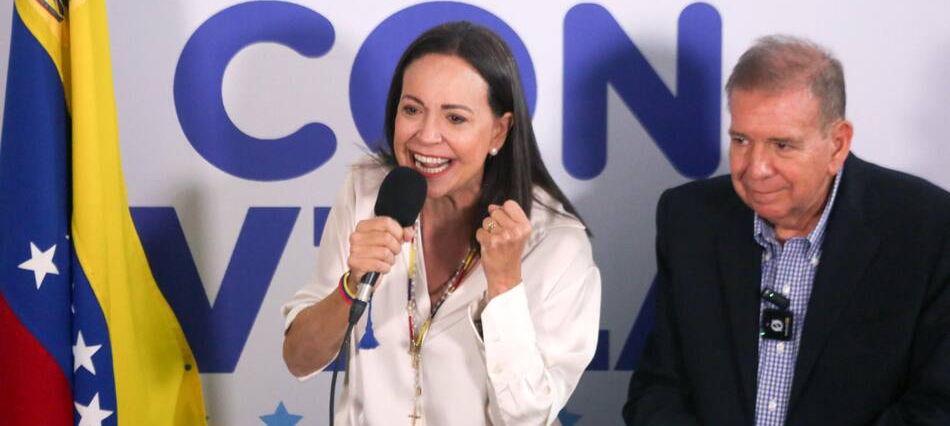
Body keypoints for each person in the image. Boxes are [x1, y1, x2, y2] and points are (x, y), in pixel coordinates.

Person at [282, 21, 601, 425]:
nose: (427, 136)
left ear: (499, 131)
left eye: (455, 119)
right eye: (412, 110)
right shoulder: (366, 192)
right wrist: (350, 286)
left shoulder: (557, 243)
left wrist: (504, 286)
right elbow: (298, 359)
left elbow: (527, 417)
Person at [623, 35, 950, 425]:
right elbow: (657, 390)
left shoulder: (925, 227)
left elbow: (937, 406)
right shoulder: (690, 220)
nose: (755, 168)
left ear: (837, 144)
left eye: (782, 145)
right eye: (741, 140)